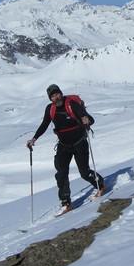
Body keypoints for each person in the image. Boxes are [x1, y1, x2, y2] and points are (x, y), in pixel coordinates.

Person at [27, 84, 105, 214]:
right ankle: (66, 203)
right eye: (52, 96)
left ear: (61, 93)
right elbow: (44, 124)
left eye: (57, 94)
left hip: (79, 142)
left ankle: (100, 184)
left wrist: (87, 120)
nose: (56, 97)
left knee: (84, 172)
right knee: (61, 174)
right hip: (63, 145)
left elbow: (89, 118)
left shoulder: (72, 104)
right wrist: (34, 139)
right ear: (50, 98)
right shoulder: (50, 109)